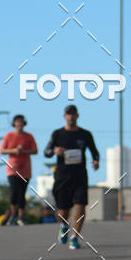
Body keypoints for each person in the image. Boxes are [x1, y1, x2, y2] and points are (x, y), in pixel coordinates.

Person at [44, 105, 100, 248]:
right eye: (68, 114)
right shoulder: (57, 134)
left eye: (73, 114)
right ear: (64, 116)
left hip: (80, 176)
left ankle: (75, 237)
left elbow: (95, 152)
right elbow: (46, 151)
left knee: (80, 206)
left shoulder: (85, 134)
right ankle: (64, 226)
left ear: (77, 116)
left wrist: (96, 161)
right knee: (63, 211)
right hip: (62, 176)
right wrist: (55, 151)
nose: (71, 116)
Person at [0, 115, 38, 225]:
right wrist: (15, 150)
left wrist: (23, 151)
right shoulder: (9, 135)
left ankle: (20, 216)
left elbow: (35, 150)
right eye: (17, 122)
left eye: (21, 122)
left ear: (24, 123)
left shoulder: (29, 136)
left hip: (25, 168)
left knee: (22, 193)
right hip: (12, 168)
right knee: (14, 192)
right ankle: (13, 214)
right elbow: (2, 150)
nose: (19, 124)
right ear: (14, 123)